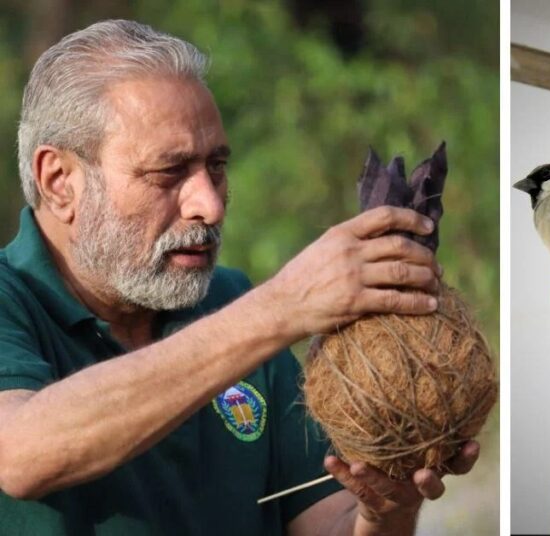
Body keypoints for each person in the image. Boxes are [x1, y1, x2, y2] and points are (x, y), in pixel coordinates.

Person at [0, 19, 478, 535]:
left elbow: (328, 522)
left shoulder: (229, 299)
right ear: (60, 182)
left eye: (217, 166)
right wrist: (282, 306)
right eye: (168, 172)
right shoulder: (13, 298)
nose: (209, 205)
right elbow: (21, 453)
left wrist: (388, 509)